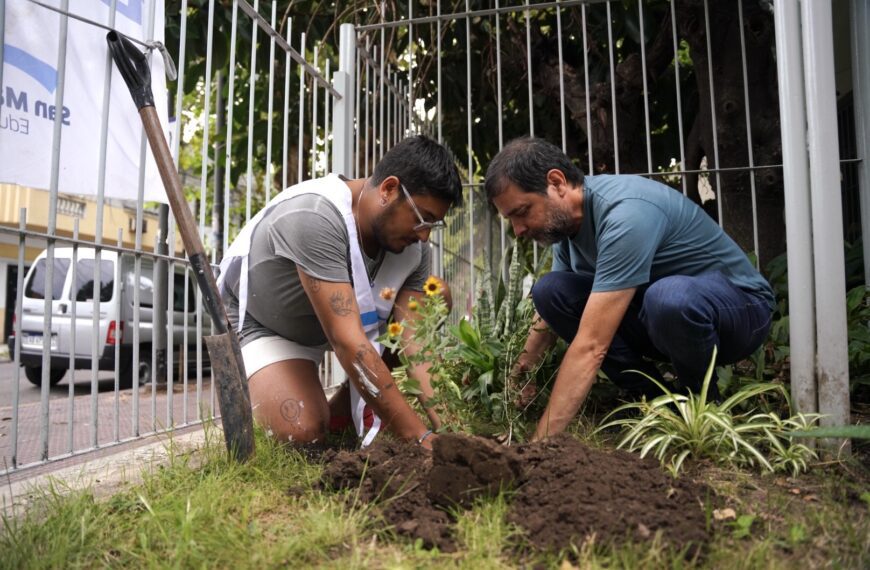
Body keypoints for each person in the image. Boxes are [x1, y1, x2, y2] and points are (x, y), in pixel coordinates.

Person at [484, 137, 775, 441]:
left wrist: (538, 445)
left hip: (740, 312)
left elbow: (591, 344)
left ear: (556, 182)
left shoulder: (625, 214)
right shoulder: (568, 226)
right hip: (663, 318)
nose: (518, 229)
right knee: (550, 291)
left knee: (668, 298)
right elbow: (550, 312)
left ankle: (702, 407)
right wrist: (523, 369)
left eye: (521, 212)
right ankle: (655, 401)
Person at [218, 135, 462, 449]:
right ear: (389, 189)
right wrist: (418, 436)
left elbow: (414, 342)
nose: (425, 235)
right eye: (422, 219)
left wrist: (452, 433)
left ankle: (343, 411)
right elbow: (347, 341)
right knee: (303, 431)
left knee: (435, 296)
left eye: (434, 224)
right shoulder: (316, 216)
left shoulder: (413, 249)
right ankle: (286, 388)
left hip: (329, 324)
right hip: (265, 322)